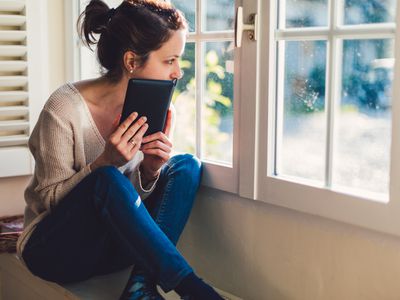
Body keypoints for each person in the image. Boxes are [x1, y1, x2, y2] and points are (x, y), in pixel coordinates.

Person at [16, 1, 224, 299]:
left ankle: (141, 286)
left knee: (186, 166)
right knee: (106, 179)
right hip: (55, 252)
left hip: (116, 247)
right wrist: (105, 162)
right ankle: (192, 288)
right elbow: (49, 200)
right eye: (169, 61)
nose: (178, 72)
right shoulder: (64, 108)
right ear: (131, 61)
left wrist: (150, 171)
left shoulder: (162, 110)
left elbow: (131, 204)